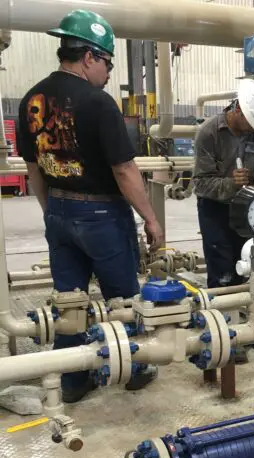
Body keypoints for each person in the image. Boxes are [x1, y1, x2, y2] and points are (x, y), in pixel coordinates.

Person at [18, 9, 165, 403]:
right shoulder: (99, 103)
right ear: (89, 57)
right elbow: (125, 170)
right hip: (102, 215)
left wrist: (53, 209)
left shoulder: (31, 99)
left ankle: (71, 382)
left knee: (70, 302)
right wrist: (150, 218)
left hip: (59, 212)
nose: (108, 72)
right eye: (108, 63)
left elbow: (34, 170)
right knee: (124, 298)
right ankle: (133, 370)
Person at [193, 79, 254, 290]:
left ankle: (249, 313)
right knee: (222, 271)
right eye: (252, 124)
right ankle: (221, 314)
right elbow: (201, 184)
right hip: (216, 209)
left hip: (252, 208)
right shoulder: (209, 133)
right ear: (238, 110)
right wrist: (232, 184)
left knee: (252, 264)